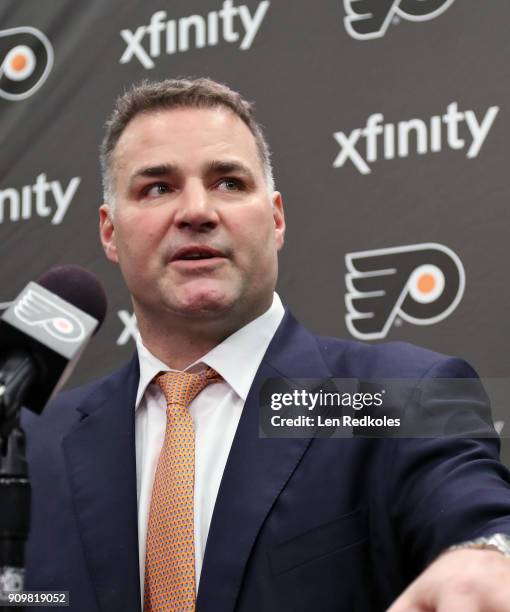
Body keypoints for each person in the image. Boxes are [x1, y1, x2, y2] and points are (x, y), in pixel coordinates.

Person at [22, 77, 510, 612]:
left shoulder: (402, 397)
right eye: (157, 188)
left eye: (229, 182)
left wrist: (488, 554)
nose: (197, 211)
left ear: (275, 218)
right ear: (110, 232)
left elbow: (479, 517)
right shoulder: (34, 444)